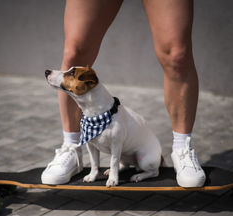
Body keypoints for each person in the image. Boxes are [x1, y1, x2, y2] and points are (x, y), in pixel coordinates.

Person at [41, 0, 205, 188]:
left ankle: (182, 148)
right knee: (75, 52)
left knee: (177, 54)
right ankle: (72, 147)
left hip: (137, 153)